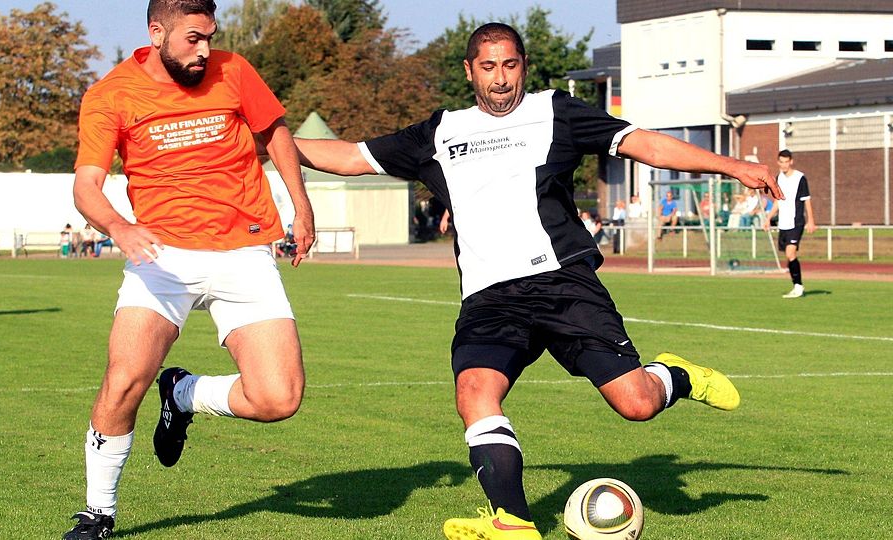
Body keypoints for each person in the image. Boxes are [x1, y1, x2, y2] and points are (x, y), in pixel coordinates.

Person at [293, 22, 783, 540]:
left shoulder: (556, 112)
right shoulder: (439, 132)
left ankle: (678, 376)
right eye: (488, 67)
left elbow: (646, 146)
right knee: (475, 391)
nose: (500, 79)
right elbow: (348, 156)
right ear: (469, 71)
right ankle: (514, 522)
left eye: (510, 65)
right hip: (489, 297)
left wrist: (730, 165)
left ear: (524, 66)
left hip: (562, 284)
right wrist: (260, 140)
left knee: (635, 404)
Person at [62, 1, 315, 538]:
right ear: (157, 33)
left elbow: (275, 135)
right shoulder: (110, 94)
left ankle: (184, 394)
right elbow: (86, 187)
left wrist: (302, 204)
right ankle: (97, 513)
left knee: (279, 398)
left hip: (245, 251)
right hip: (162, 256)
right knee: (125, 380)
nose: (204, 51)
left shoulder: (235, 71)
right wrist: (121, 228)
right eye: (192, 39)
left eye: (209, 38)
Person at [764, 149, 815, 298]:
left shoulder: (800, 178)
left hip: (796, 221)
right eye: (782, 162)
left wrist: (811, 220)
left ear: (791, 161)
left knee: (790, 252)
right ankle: (796, 285)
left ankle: (798, 286)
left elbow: (807, 200)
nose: (784, 164)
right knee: (788, 255)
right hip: (783, 222)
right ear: (778, 162)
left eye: (787, 162)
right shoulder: (778, 178)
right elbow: (777, 202)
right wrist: (768, 218)